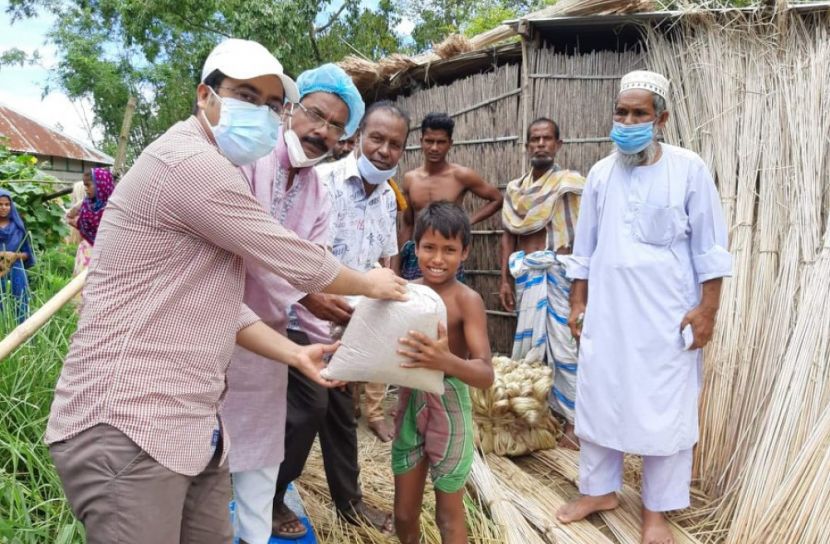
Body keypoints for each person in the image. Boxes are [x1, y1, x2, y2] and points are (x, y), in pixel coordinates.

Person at [45, 38, 406, 544]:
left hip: (194, 425)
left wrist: (297, 356)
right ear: (205, 96)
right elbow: (285, 253)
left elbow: (220, 305)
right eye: (245, 95)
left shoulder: (284, 179)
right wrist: (370, 282)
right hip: (130, 419)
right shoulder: (190, 161)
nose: (261, 113)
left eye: (270, 103)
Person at [555, 71, 732, 544]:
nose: (628, 122)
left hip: (667, 318)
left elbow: (711, 248)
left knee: (666, 408)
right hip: (608, 316)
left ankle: (657, 510)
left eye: (639, 114)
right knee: (598, 399)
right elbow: (584, 249)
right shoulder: (599, 174)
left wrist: (707, 310)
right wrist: (578, 301)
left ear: (662, 120)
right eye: (622, 112)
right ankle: (599, 490)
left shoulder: (688, 168)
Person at [220, 63, 364, 544]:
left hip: (276, 324)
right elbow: (249, 245)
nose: (321, 131)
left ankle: (270, 499)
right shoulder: (251, 157)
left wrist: (328, 348)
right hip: (218, 312)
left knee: (308, 400)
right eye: (315, 115)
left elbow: (315, 264)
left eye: (335, 126)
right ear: (290, 111)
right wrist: (318, 292)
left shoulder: (318, 190)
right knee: (208, 426)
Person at [272, 101, 409, 538]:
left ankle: (349, 505)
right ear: (357, 138)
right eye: (377, 139)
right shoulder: (322, 181)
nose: (385, 151)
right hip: (302, 314)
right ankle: (273, 494)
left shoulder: (389, 197)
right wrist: (309, 297)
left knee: (339, 416)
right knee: (309, 409)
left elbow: (384, 260)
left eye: (395, 144)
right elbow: (290, 250)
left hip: (351, 324)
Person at [393, 201, 493, 544]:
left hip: (450, 404)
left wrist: (445, 361)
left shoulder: (467, 301)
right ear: (415, 248)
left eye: (449, 250)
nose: (437, 259)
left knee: (448, 514)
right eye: (429, 248)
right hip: (410, 401)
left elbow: (484, 374)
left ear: (464, 252)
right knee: (404, 514)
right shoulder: (406, 294)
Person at [498, 118, 585, 449]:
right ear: (527, 146)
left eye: (547, 139)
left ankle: (574, 424)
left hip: (560, 275)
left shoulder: (570, 185)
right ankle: (537, 419)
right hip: (526, 277)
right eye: (534, 139)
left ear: (558, 144)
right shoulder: (515, 190)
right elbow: (508, 237)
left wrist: (582, 288)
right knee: (531, 351)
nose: (540, 144)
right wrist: (505, 279)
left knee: (565, 350)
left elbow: (583, 238)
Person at [396, 112, 503, 280]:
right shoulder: (411, 179)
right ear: (421, 142)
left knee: (450, 301)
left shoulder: (461, 175)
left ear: (450, 144)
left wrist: (468, 221)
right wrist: (399, 260)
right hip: (418, 253)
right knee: (415, 302)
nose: (434, 148)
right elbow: (408, 223)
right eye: (429, 141)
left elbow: (496, 199)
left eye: (441, 142)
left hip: (448, 252)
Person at [0, 190, 35, 323]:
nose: (4, 207)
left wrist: (15, 255)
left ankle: (22, 339)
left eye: (7, 204)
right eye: (0, 204)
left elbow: (27, 254)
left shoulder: (18, 227)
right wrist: (3, 254)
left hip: (16, 270)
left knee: (20, 304)